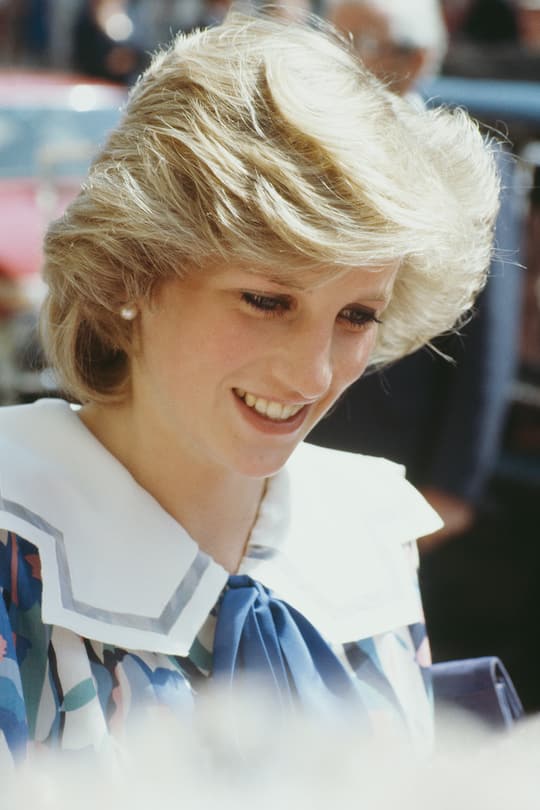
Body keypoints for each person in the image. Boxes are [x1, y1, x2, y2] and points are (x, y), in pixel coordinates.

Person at [0, 12, 498, 761]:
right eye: (267, 301)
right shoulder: (16, 548)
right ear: (132, 274)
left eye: (357, 315)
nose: (314, 374)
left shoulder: (369, 539)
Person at [314, 0, 522, 549]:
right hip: (291, 435)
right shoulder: (301, 139)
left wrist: (454, 488)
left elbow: (487, 339)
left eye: (355, 41)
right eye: (329, 39)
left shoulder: (465, 165)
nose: (334, 58)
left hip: (390, 458)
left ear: (417, 59)